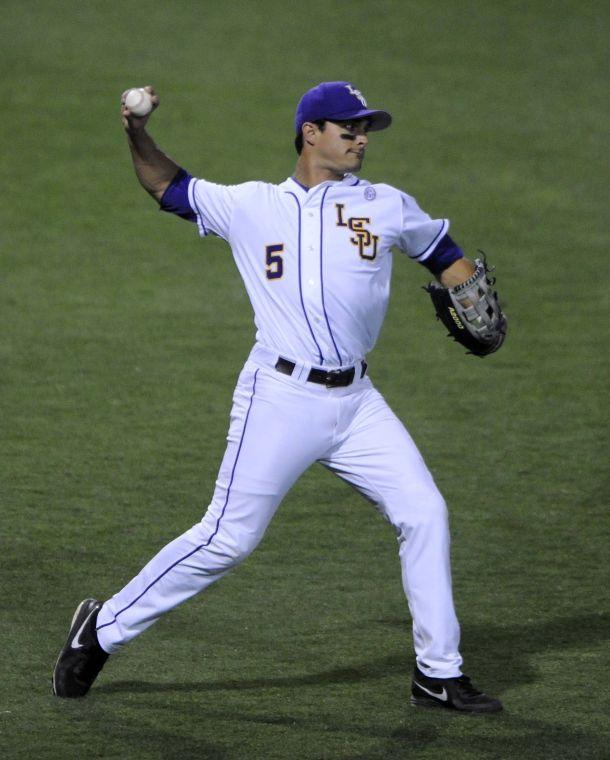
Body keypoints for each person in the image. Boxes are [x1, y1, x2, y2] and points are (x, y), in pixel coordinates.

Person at [52, 81, 503, 712]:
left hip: (358, 403)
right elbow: (168, 187)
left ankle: (438, 673)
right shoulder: (251, 206)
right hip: (280, 398)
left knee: (424, 513)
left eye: (365, 128)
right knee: (226, 539)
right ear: (310, 133)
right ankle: (101, 630)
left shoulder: (385, 204)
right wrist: (136, 134)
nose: (361, 138)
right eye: (349, 128)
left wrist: (469, 296)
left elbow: (443, 252)